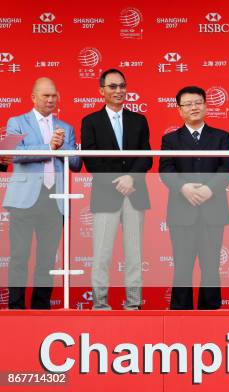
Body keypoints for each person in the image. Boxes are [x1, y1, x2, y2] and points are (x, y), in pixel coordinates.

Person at [3, 77, 81, 309]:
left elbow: (76, 163)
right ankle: (15, 309)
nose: (50, 100)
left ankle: (41, 309)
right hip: (24, 200)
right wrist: (50, 147)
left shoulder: (66, 128)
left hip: (55, 200)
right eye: (45, 95)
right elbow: (13, 153)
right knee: (19, 256)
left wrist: (62, 148)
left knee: (47, 259)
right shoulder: (16, 122)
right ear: (33, 97)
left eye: (53, 95)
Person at [81, 68, 152, 310]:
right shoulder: (90, 121)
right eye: (112, 86)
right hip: (105, 195)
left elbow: (147, 156)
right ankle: (100, 305)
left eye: (122, 86)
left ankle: (133, 305)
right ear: (102, 91)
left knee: (135, 255)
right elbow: (91, 160)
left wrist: (131, 178)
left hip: (135, 195)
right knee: (102, 255)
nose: (118, 91)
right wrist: (118, 181)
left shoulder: (139, 120)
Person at [159, 86, 229, 310]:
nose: (194, 107)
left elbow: (228, 167)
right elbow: (165, 169)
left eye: (198, 102)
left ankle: (210, 315)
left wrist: (209, 189)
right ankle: (179, 317)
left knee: (211, 267)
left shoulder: (221, 137)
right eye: (188, 104)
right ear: (179, 110)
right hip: (182, 212)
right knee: (182, 267)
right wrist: (184, 188)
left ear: (206, 105)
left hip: (213, 211)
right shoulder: (170, 139)